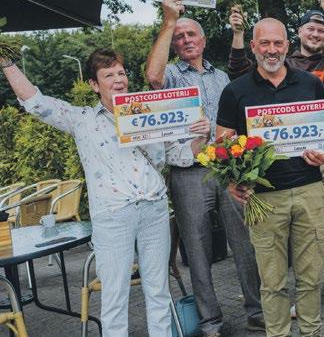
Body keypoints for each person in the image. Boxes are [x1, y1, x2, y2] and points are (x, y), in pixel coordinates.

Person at [0, 48, 210, 336]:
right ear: (94, 84)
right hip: (113, 216)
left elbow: (179, 155)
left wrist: (201, 137)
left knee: (159, 292)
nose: (118, 79)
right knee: (114, 298)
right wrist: (7, 62)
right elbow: (35, 102)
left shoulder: (152, 112)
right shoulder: (82, 119)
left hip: (155, 210)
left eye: (121, 73)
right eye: (108, 75)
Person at [226, 0, 324, 315]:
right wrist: (237, 33)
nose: (316, 33)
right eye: (310, 28)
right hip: (288, 157)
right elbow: (238, 72)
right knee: (293, 228)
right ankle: (302, 295)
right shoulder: (282, 62)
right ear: (297, 35)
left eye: (321, 30)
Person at [144, 0, 264, 336]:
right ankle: (210, 321)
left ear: (204, 39)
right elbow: (153, 78)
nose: (185, 40)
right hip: (188, 173)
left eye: (191, 34)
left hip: (226, 170)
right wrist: (169, 21)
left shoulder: (221, 76)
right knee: (197, 251)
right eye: (179, 36)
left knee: (245, 243)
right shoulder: (170, 74)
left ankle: (257, 310)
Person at [216, 18, 324, 337]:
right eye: (264, 43)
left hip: (309, 190)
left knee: (311, 278)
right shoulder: (235, 91)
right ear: (253, 47)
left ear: (287, 46)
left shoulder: (310, 84)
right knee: (272, 282)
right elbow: (222, 146)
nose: (271, 50)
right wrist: (231, 181)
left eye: (278, 43)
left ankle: (312, 333)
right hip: (263, 199)